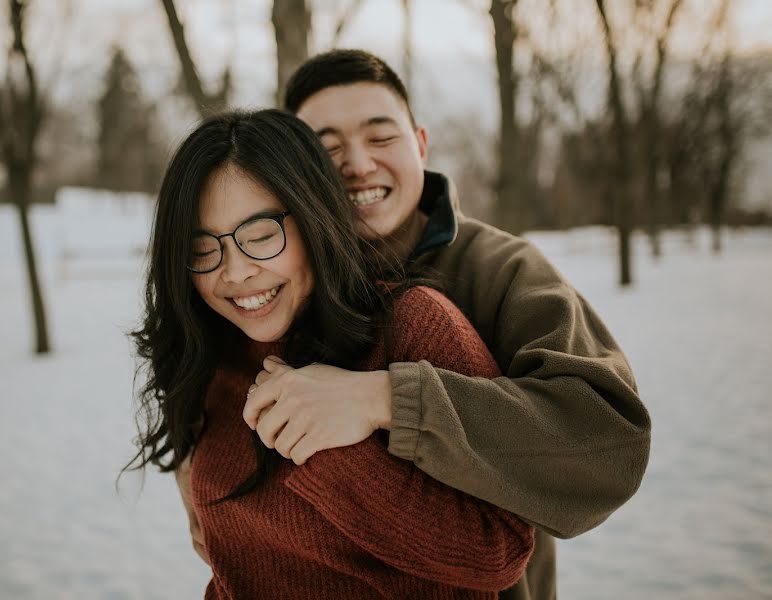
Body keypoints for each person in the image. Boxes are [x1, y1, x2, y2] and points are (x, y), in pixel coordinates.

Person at [224, 50, 650, 600]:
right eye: (328, 149)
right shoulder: (273, 278)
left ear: (420, 145)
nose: (357, 163)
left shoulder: (501, 270)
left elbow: (609, 444)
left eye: (381, 138)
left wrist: (386, 400)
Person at [129, 108, 534, 598]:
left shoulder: (413, 325)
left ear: (314, 216)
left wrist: (328, 448)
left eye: (260, 236)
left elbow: (500, 552)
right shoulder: (212, 355)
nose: (234, 273)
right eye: (202, 250)